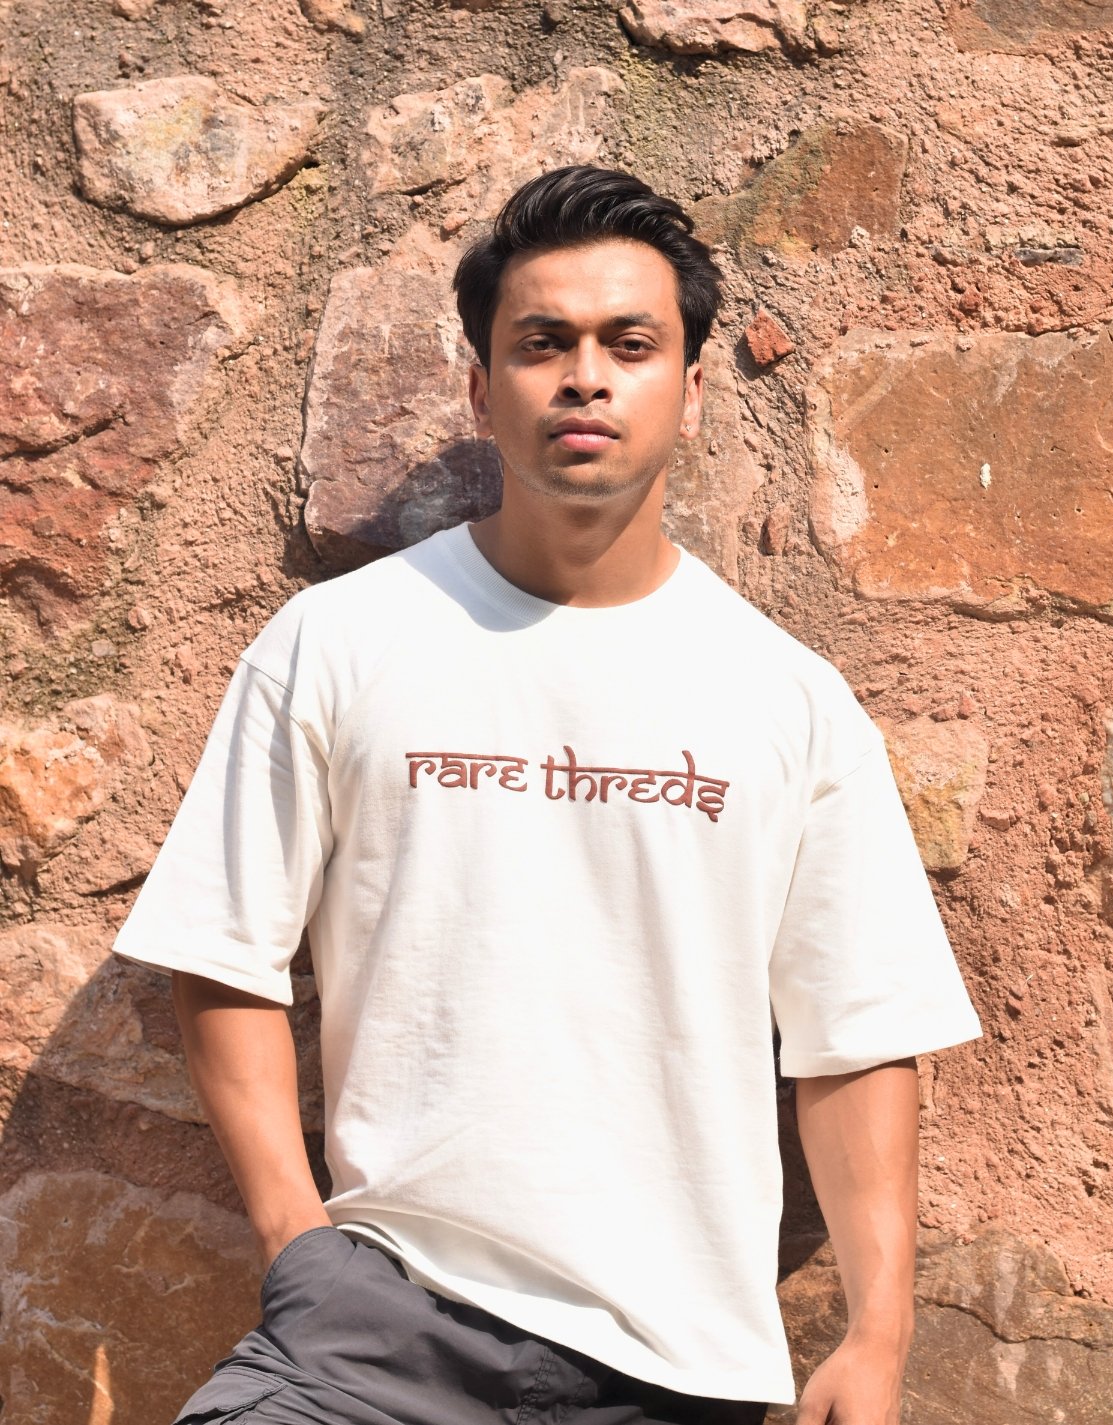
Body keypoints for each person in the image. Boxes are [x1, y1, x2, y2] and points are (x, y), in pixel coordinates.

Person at [112, 164, 983, 1425]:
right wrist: (297, 1241)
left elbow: (855, 1034)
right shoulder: (339, 643)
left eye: (630, 344)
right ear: (481, 388)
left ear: (691, 391)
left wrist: (877, 1333)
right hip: (369, 1340)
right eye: (542, 344)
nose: (585, 376)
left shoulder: (790, 701)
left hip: (673, 1370)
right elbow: (222, 952)